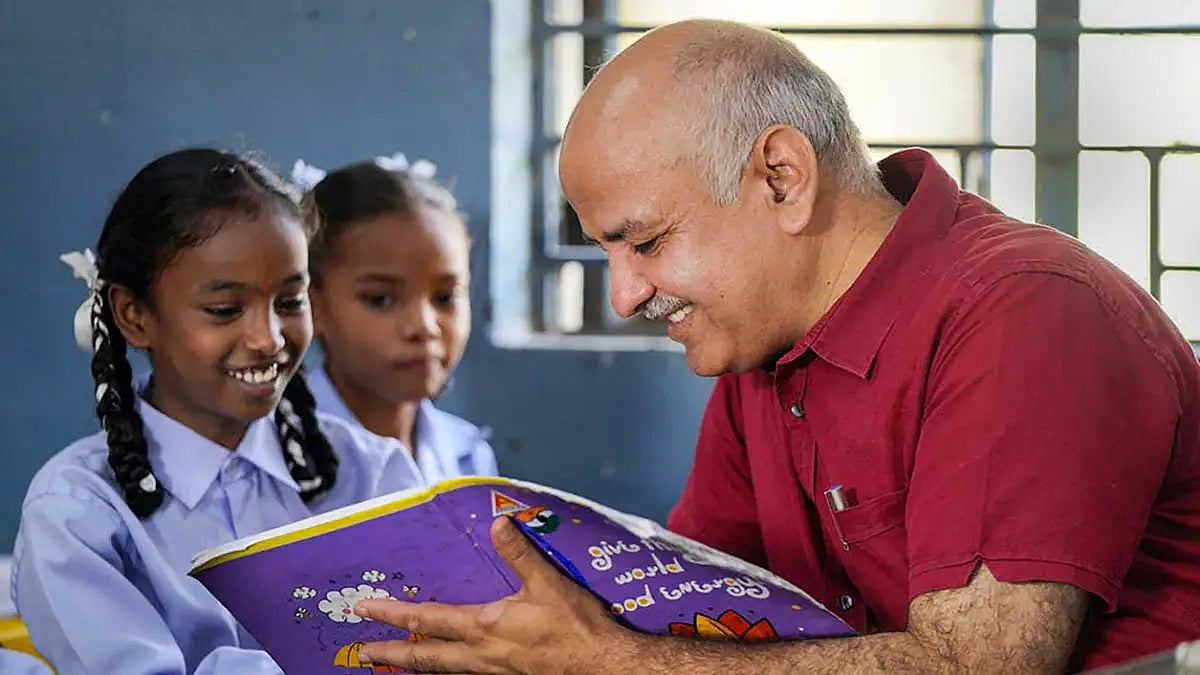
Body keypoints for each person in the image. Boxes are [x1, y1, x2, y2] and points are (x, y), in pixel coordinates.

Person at [351, 19, 1200, 675]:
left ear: (781, 177)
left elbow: (974, 666)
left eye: (644, 242)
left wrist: (603, 658)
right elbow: (687, 611)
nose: (626, 293)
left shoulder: (1025, 312)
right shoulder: (763, 346)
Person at [13, 148, 425, 674]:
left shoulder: (373, 475)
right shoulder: (76, 513)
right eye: (225, 310)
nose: (268, 337)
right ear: (133, 316)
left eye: (290, 301)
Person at [291, 153, 497, 482]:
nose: (424, 327)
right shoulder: (281, 462)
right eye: (381, 300)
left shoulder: (468, 455)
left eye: (445, 298)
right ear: (312, 307)